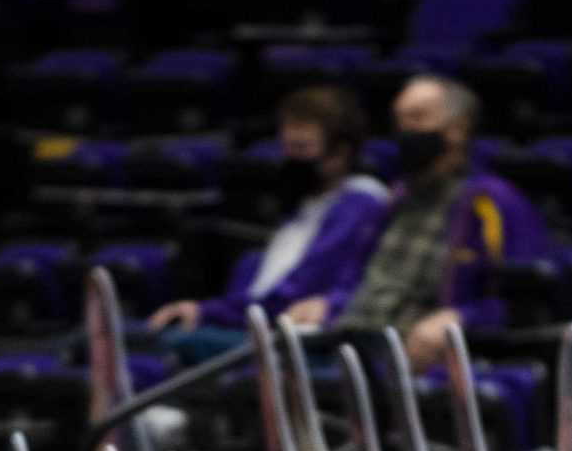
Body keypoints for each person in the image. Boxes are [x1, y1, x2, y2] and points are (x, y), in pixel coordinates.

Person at [286, 75, 548, 368]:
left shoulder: (492, 201)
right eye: (399, 120)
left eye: (417, 118)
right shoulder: (394, 197)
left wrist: (461, 318)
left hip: (415, 352)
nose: (404, 131)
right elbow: (359, 280)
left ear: (458, 129)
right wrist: (329, 304)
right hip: (349, 338)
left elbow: (521, 303)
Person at [149, 88, 389, 345]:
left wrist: (212, 313)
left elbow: (296, 290)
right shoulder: (306, 200)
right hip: (261, 323)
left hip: (302, 333)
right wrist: (204, 310)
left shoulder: (359, 202)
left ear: (340, 152)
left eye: (302, 148)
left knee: (172, 342)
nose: (292, 159)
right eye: (287, 147)